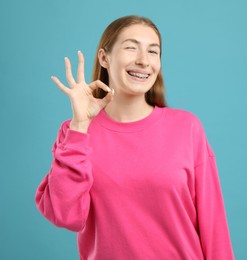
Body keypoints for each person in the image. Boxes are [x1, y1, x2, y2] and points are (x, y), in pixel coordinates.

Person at [35, 15, 234, 259]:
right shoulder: (76, 132)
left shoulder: (186, 127)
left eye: (153, 52)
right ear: (104, 58)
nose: (143, 61)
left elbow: (214, 225)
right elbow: (64, 215)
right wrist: (80, 126)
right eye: (131, 47)